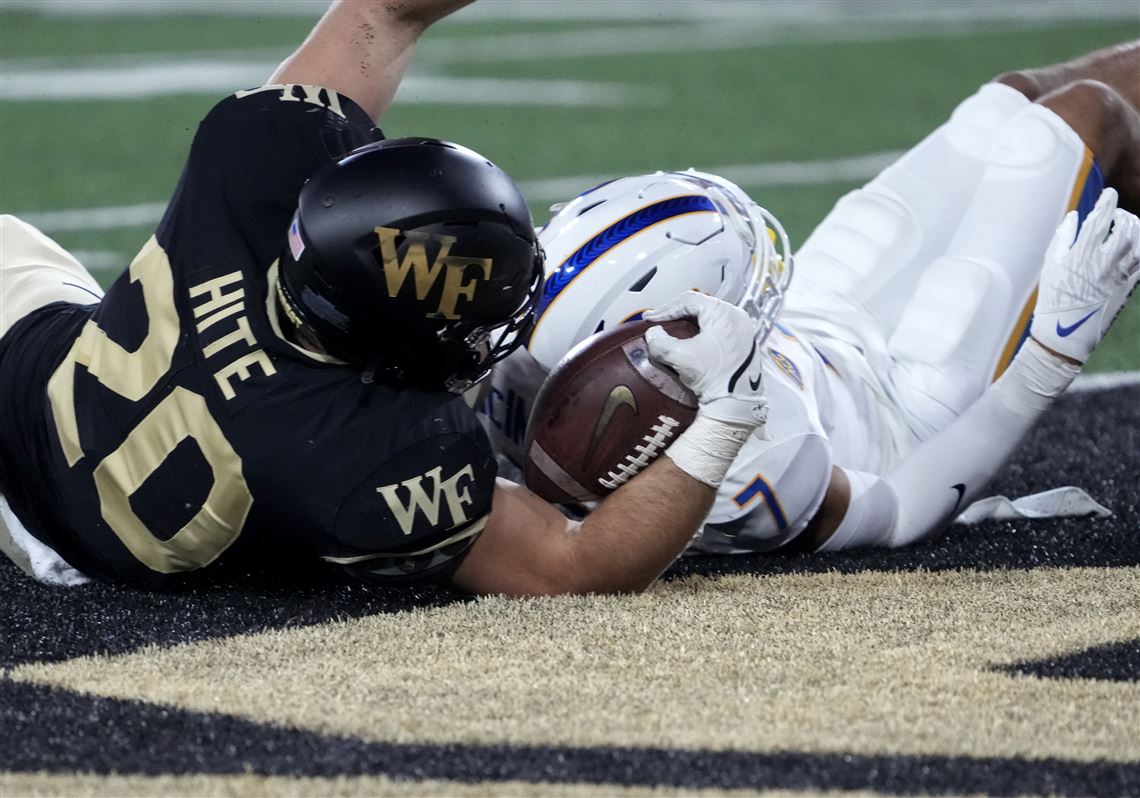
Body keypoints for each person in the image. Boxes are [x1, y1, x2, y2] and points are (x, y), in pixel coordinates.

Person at [0, 0, 772, 596]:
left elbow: (377, 12)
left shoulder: (254, 155)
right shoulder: (365, 458)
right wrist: (725, 415)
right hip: (66, 543)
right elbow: (573, 567)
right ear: (395, 342)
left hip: (33, 360)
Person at [481, 40, 1140, 555]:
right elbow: (903, 511)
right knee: (1084, 116)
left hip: (808, 346)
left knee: (1006, 104)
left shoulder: (516, 367)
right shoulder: (741, 463)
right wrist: (1048, 360)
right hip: (902, 406)